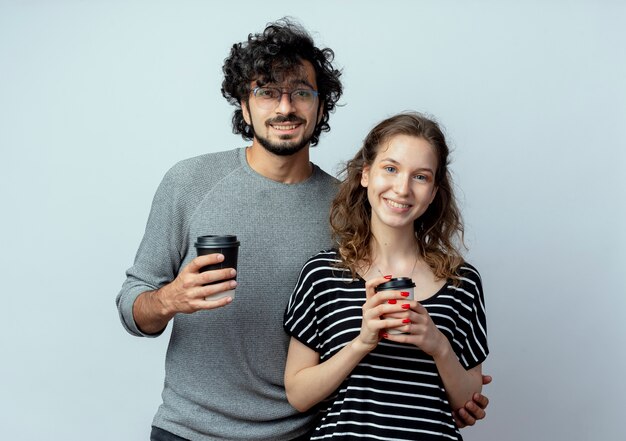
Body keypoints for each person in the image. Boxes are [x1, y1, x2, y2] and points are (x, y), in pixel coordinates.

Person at [116, 19, 489, 441]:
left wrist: (446, 385)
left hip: (300, 433)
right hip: (189, 430)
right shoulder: (189, 183)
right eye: (267, 92)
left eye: (301, 93)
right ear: (244, 105)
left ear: (321, 107)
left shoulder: (349, 209)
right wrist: (169, 298)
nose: (285, 107)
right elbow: (132, 306)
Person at [284, 112, 489, 440]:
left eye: (420, 177)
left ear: (435, 191)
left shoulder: (460, 282)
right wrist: (362, 343)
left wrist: (438, 345)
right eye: (390, 169)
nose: (402, 188)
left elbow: (469, 402)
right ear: (366, 174)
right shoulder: (322, 274)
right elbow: (298, 395)